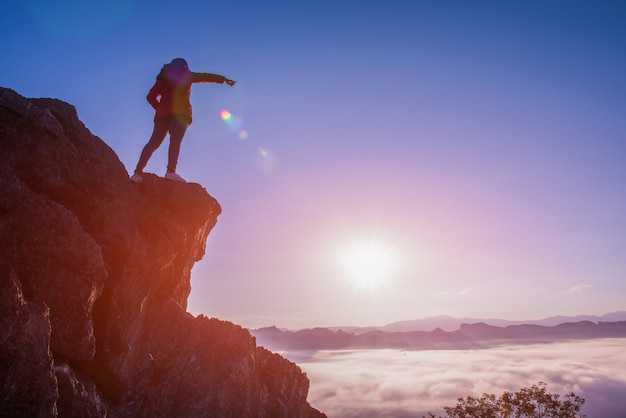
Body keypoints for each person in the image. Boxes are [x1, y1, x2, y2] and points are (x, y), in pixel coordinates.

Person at [130, 58, 236, 183]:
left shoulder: (163, 78)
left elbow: (150, 96)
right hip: (180, 113)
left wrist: (160, 108)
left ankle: (137, 173)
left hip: (163, 114)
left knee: (153, 143)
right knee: (175, 141)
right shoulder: (187, 75)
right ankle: (170, 171)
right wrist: (223, 79)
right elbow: (205, 76)